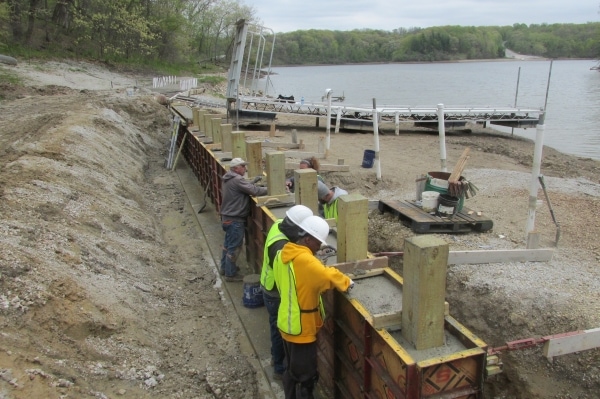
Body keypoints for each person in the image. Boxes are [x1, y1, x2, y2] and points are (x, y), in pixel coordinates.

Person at [273, 216, 353, 399]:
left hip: (286, 323)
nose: (320, 247)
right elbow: (327, 277)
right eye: (318, 242)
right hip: (301, 330)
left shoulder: (283, 254)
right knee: (305, 377)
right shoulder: (306, 262)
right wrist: (347, 282)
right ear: (307, 239)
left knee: (291, 370)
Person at [260, 205, 313, 380]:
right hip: (275, 292)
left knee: (274, 326)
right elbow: (290, 275)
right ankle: (279, 368)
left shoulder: (280, 224)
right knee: (279, 330)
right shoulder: (280, 247)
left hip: (269, 287)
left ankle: (278, 363)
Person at [220, 157, 268, 282]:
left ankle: (224, 268)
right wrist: (272, 189)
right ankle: (230, 275)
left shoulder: (228, 178)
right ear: (236, 168)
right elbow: (254, 191)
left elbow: (244, 187)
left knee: (227, 244)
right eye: (243, 166)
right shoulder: (237, 179)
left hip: (227, 218)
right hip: (235, 220)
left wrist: (252, 181)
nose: (245, 168)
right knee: (234, 247)